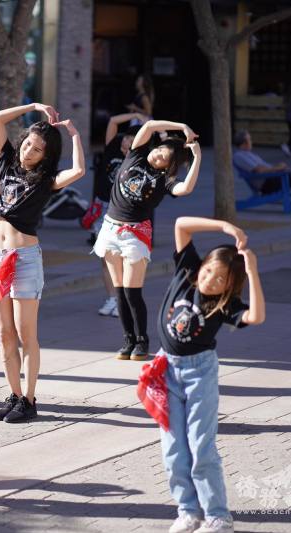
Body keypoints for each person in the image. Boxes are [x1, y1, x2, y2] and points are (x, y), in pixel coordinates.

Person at [158, 216, 265, 533]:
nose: (209, 280)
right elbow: (179, 224)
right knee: (173, 447)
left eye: (219, 279)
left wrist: (252, 270)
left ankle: (219, 516)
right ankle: (188, 511)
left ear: (229, 286)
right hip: (166, 370)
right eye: (208, 272)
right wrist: (225, 228)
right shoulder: (187, 271)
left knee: (200, 445)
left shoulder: (226, 304)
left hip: (199, 373)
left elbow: (257, 316)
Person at [0, 103, 86, 423]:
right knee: (4, 334)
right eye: (28, 143)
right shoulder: (4, 162)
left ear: (46, 155)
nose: (29, 151)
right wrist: (32, 106)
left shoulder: (47, 179)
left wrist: (73, 135)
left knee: (25, 332)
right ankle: (14, 395)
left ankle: (29, 400)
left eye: (38, 149)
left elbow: (80, 170)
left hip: (26, 260)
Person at [93, 119, 201, 361]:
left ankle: (142, 340)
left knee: (132, 292)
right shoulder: (136, 156)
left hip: (135, 235)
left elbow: (185, 189)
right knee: (118, 292)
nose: (158, 155)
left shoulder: (164, 181)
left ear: (169, 167)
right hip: (110, 229)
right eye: (159, 149)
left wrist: (196, 158)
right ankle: (128, 340)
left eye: (164, 157)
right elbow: (149, 125)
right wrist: (182, 127)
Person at [91, 113, 147, 317]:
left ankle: (123, 300)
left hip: (123, 213)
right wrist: (135, 115)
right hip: (103, 209)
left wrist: (149, 124)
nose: (127, 141)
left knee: (123, 257)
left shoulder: (139, 161)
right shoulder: (111, 150)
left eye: (133, 139)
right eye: (126, 137)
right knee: (106, 257)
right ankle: (112, 298)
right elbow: (113, 121)